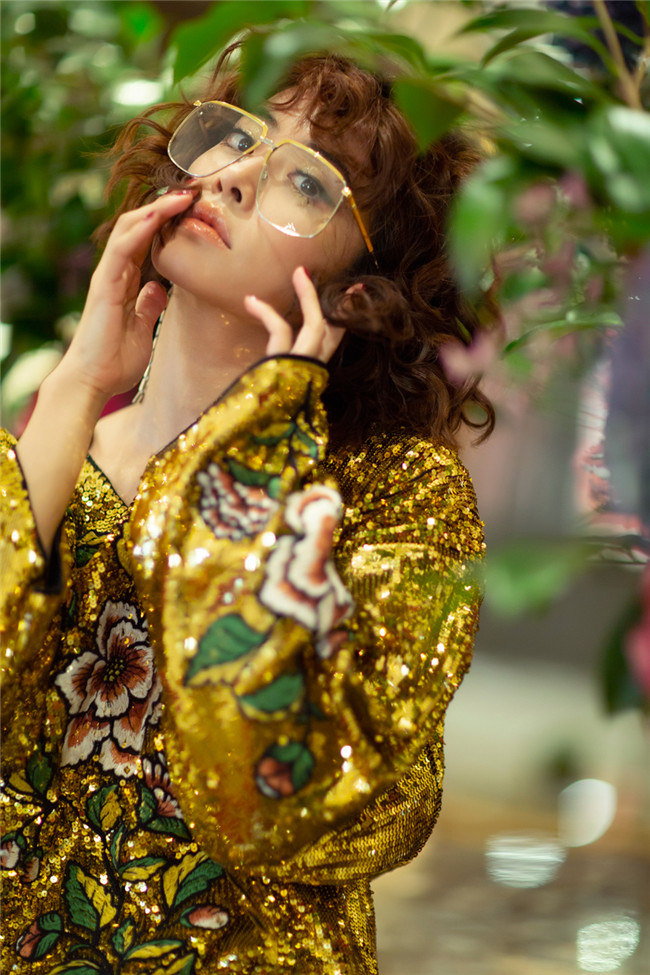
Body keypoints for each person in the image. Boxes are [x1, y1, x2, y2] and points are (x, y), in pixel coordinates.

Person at [1, 45, 493, 975]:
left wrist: (260, 442)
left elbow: (314, 813)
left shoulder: (396, 491)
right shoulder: (54, 444)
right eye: (235, 137)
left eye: (306, 181)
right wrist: (77, 382)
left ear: (368, 279)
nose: (232, 177)